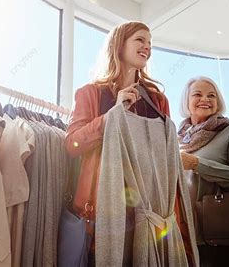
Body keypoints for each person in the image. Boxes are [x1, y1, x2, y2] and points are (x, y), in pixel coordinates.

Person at [65, 21, 193, 265]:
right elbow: (72, 144)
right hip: (103, 212)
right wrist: (113, 114)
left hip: (150, 212)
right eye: (140, 40)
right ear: (119, 44)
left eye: (150, 43)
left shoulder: (158, 100)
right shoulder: (91, 93)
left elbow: (166, 163)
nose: (147, 47)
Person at [178, 76, 229, 267]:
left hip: (225, 237)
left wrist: (197, 164)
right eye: (197, 94)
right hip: (187, 237)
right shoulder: (177, 140)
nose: (205, 99)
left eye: (211, 96)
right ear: (186, 102)